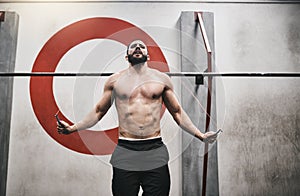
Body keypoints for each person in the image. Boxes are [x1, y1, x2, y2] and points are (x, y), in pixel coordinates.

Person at [57, 40, 218, 196]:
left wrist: (200, 135)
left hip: (154, 149)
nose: (138, 48)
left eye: (142, 46)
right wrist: (73, 128)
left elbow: (177, 113)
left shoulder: (161, 79)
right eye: (133, 46)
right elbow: (99, 111)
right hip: (126, 149)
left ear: (148, 56)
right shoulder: (115, 80)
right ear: (127, 56)